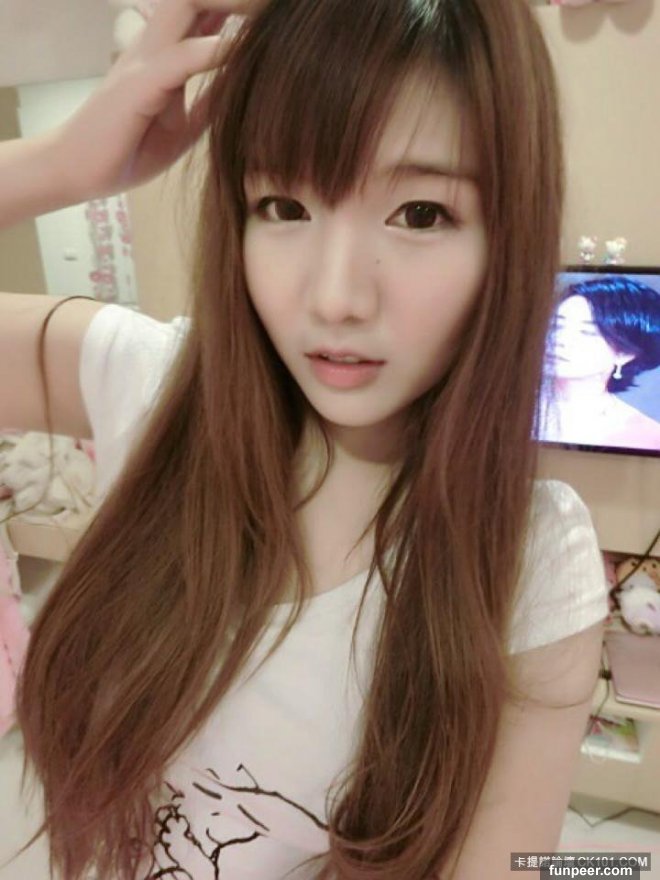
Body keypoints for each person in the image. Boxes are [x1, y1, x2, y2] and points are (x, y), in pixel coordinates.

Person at [0, 0, 610, 878]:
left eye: (421, 214)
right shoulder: (152, 385)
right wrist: (58, 165)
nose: (334, 298)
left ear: (507, 237)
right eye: (284, 204)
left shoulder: (532, 559)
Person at [540, 276, 660, 450]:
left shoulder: (646, 436)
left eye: (587, 332)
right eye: (556, 326)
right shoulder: (510, 404)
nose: (559, 339)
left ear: (625, 354)